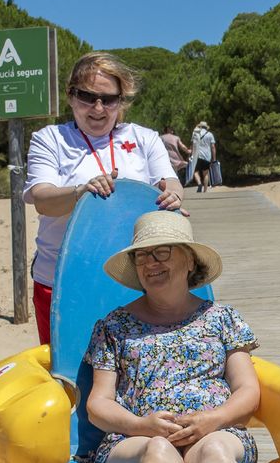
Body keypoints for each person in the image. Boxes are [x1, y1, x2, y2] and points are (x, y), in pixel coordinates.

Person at [82, 211, 261, 463]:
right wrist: (142, 425)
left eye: (162, 251)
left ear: (189, 260)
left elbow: (248, 390)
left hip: (213, 429)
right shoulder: (114, 327)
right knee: (158, 450)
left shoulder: (222, 319)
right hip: (135, 437)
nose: (151, 263)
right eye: (142, 256)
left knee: (217, 450)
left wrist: (214, 419)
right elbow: (98, 404)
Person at [23, 52, 186, 345]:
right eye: (87, 97)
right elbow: (42, 198)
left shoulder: (144, 138)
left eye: (109, 99)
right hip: (63, 281)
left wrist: (173, 195)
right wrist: (80, 192)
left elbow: (169, 181)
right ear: (71, 96)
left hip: (135, 280)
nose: (98, 108)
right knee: (69, 376)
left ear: (121, 102)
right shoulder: (50, 139)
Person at [189, 121, 217, 193]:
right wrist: (214, 159)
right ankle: (205, 191)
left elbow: (192, 145)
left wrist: (190, 154)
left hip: (197, 156)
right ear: (206, 127)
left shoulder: (195, 134)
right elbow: (213, 147)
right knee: (206, 174)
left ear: (200, 127)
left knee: (195, 172)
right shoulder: (210, 134)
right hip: (207, 156)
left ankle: (199, 183)